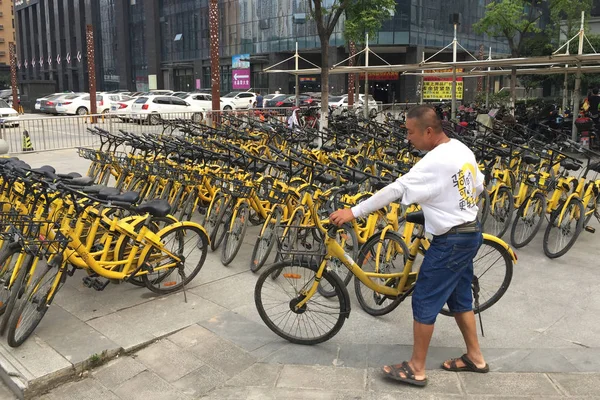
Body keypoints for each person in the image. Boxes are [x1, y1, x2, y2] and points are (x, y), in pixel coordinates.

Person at [330, 105, 488, 387]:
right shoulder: (460, 149)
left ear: (428, 131)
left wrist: (352, 212)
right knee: (460, 296)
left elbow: (396, 189)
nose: (408, 138)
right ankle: (475, 358)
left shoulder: (434, 161)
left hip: (451, 240)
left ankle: (416, 368)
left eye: (410, 132)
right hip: (469, 232)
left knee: (424, 299)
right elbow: (479, 185)